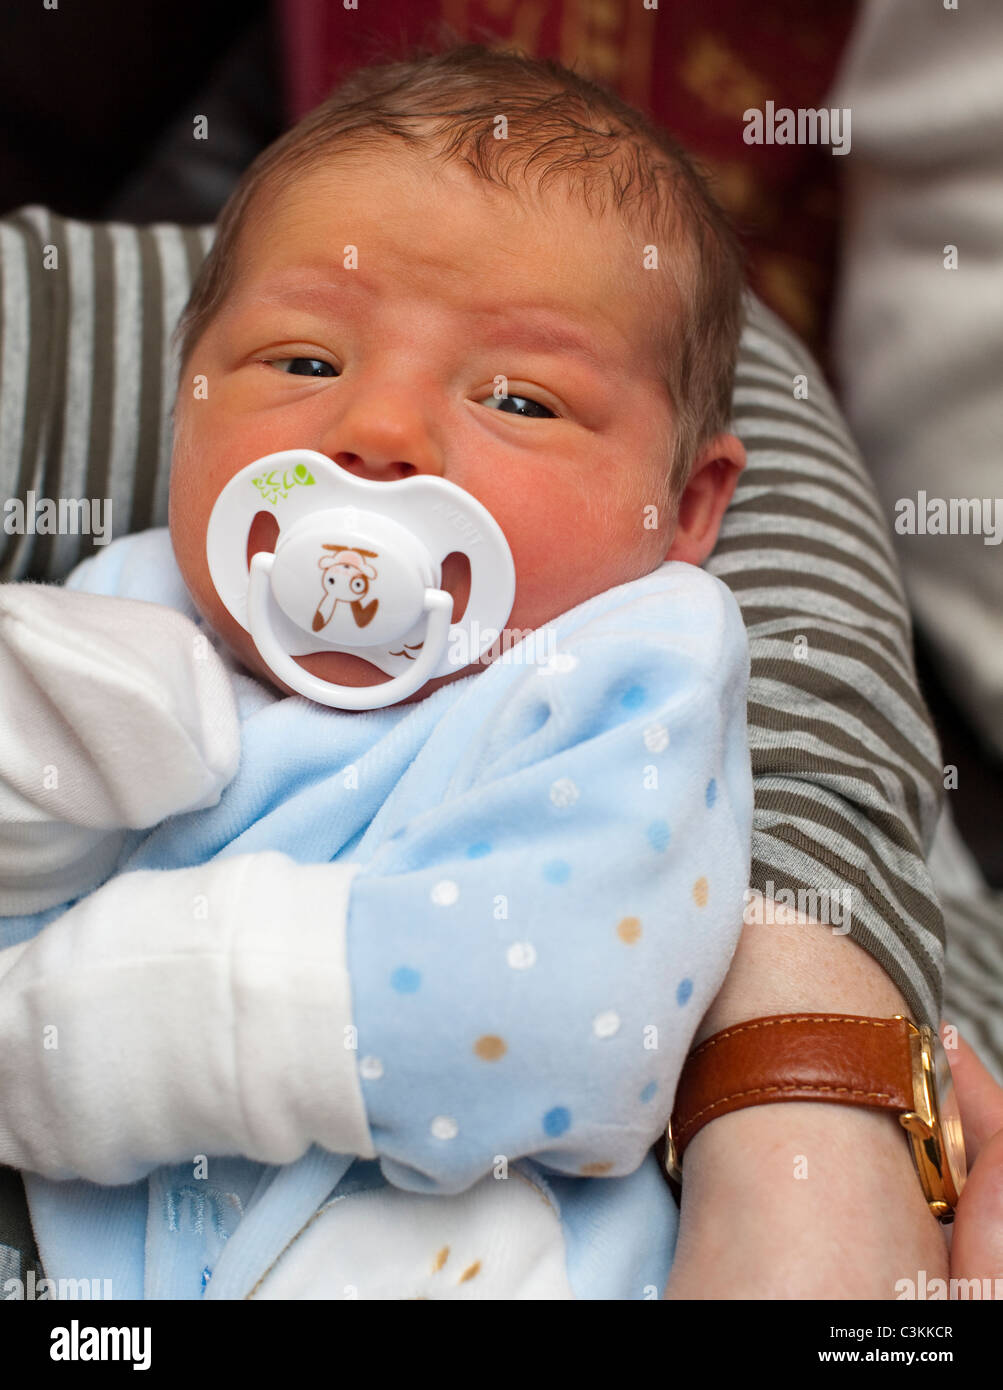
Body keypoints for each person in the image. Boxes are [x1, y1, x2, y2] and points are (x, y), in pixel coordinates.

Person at [0, 44, 950, 1300]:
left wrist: (125, 1024)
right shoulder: (131, 605)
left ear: (683, 505)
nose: (380, 432)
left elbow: (562, 1010)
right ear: (182, 400)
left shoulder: (630, 666)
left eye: (518, 398)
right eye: (301, 364)